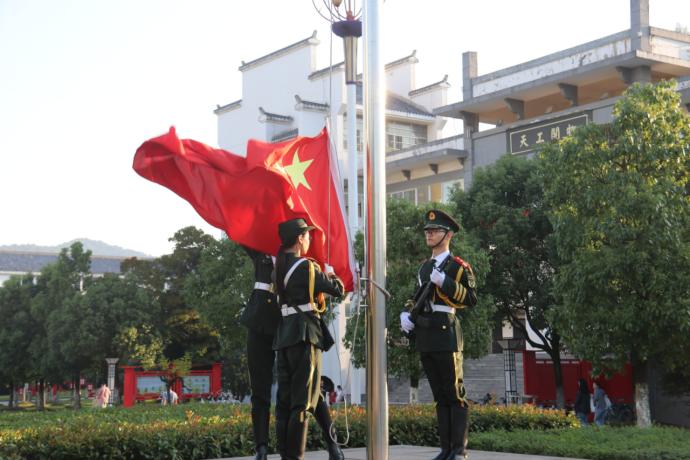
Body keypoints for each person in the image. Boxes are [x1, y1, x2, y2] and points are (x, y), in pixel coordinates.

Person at [241, 244, 346, 460]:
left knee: (310, 389)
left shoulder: (297, 256)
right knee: (259, 389)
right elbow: (241, 233)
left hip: (288, 326)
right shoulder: (261, 250)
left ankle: (332, 443)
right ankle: (261, 448)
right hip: (260, 323)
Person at [400, 209, 477, 460]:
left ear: (448, 234)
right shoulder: (424, 267)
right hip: (426, 333)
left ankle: (459, 450)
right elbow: (415, 296)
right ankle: (446, 449)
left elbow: (471, 298)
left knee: (455, 393)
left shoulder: (457, 267)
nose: (429, 234)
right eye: (428, 231)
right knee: (440, 396)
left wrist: (445, 282)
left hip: (447, 332)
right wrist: (406, 313)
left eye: (434, 231)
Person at [273, 218, 344, 460]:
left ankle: (327, 448)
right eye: (307, 236)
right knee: (302, 402)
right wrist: (332, 274)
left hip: (284, 336)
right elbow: (338, 289)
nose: (310, 239)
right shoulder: (306, 267)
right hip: (304, 336)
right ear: (299, 239)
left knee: (286, 402)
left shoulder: (278, 268)